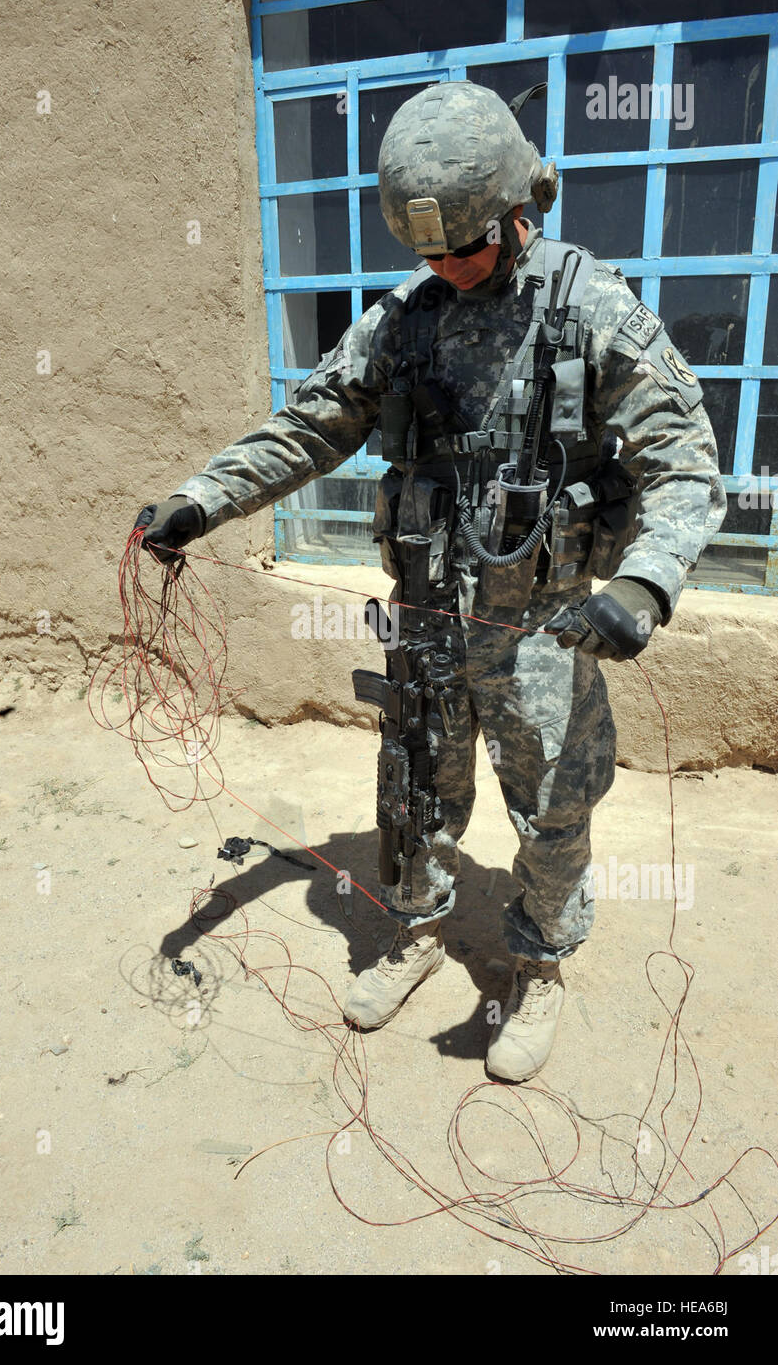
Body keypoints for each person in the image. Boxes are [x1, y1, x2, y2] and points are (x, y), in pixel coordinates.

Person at [134, 82, 726, 1082]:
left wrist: (643, 585)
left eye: (467, 245)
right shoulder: (402, 321)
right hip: (425, 618)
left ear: (517, 205)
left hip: (545, 624)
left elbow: (684, 460)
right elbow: (308, 427)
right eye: (430, 252)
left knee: (552, 805)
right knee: (413, 795)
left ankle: (537, 966)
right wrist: (203, 499)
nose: (448, 266)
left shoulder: (591, 307)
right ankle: (415, 929)